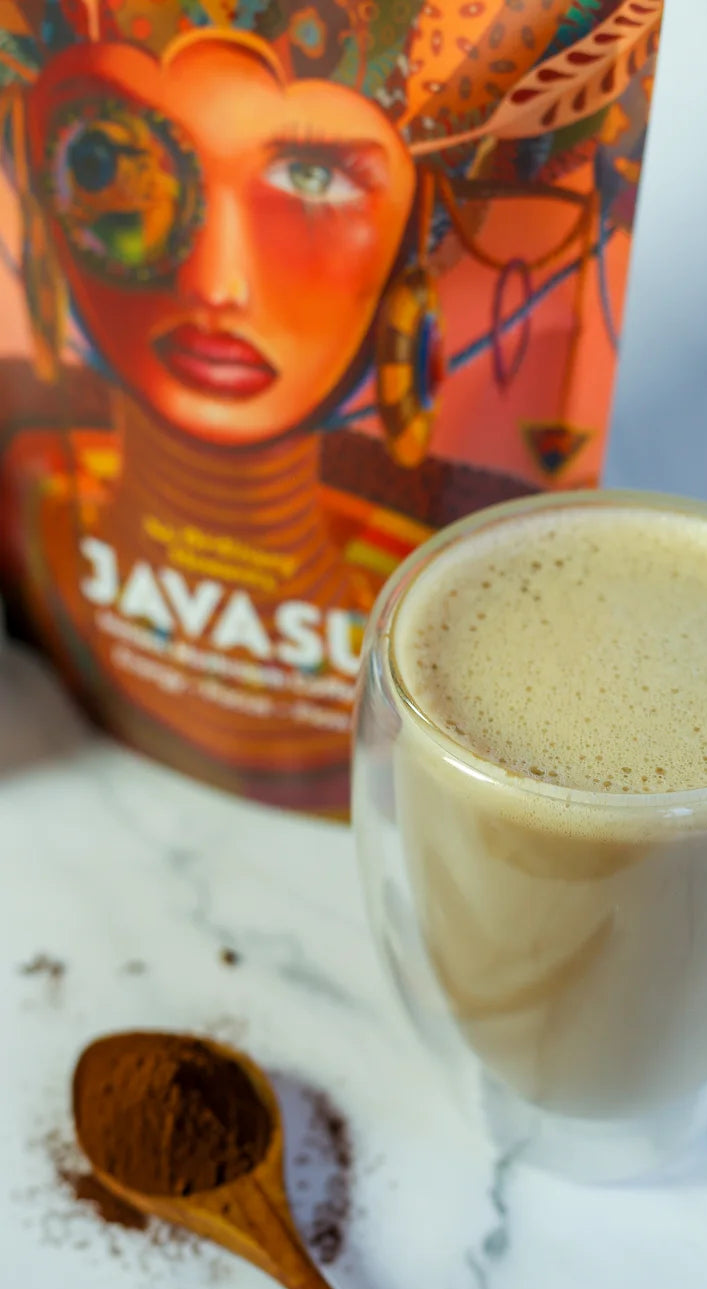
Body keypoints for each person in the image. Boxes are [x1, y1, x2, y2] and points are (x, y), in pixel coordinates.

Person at [0, 0, 661, 812]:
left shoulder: (468, 589)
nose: (215, 283)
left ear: (418, 233)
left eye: (310, 178)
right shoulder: (34, 525)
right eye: (109, 158)